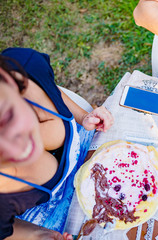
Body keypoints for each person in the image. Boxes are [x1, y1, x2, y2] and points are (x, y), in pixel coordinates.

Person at [0, 48, 114, 239]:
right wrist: (41, 234)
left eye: (8, 114)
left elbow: (51, 89)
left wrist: (83, 116)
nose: (19, 143)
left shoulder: (25, 65)